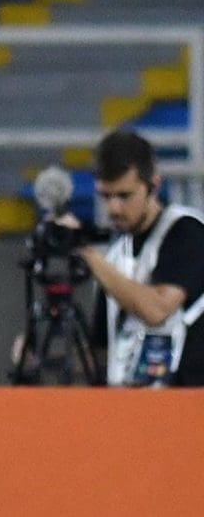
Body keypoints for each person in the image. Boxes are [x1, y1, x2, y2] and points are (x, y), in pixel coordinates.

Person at [59, 129, 204, 387]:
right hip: (131, 407)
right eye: (105, 196)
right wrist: (46, 357)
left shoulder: (187, 232)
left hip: (188, 404)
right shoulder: (115, 257)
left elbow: (156, 310)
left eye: (124, 196)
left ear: (154, 186)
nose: (114, 208)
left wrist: (88, 254)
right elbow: (103, 351)